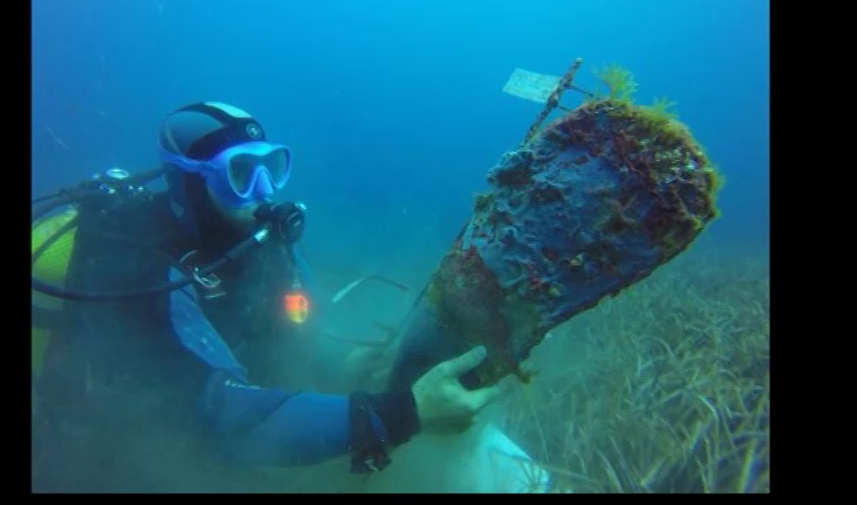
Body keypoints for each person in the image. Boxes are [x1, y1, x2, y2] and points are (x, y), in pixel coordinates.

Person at [30, 101, 503, 492]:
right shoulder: (141, 269)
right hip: (111, 462)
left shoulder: (265, 243)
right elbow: (229, 419)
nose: (263, 191)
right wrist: (406, 413)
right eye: (240, 173)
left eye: (270, 166)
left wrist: (351, 364)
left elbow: (301, 333)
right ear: (190, 181)